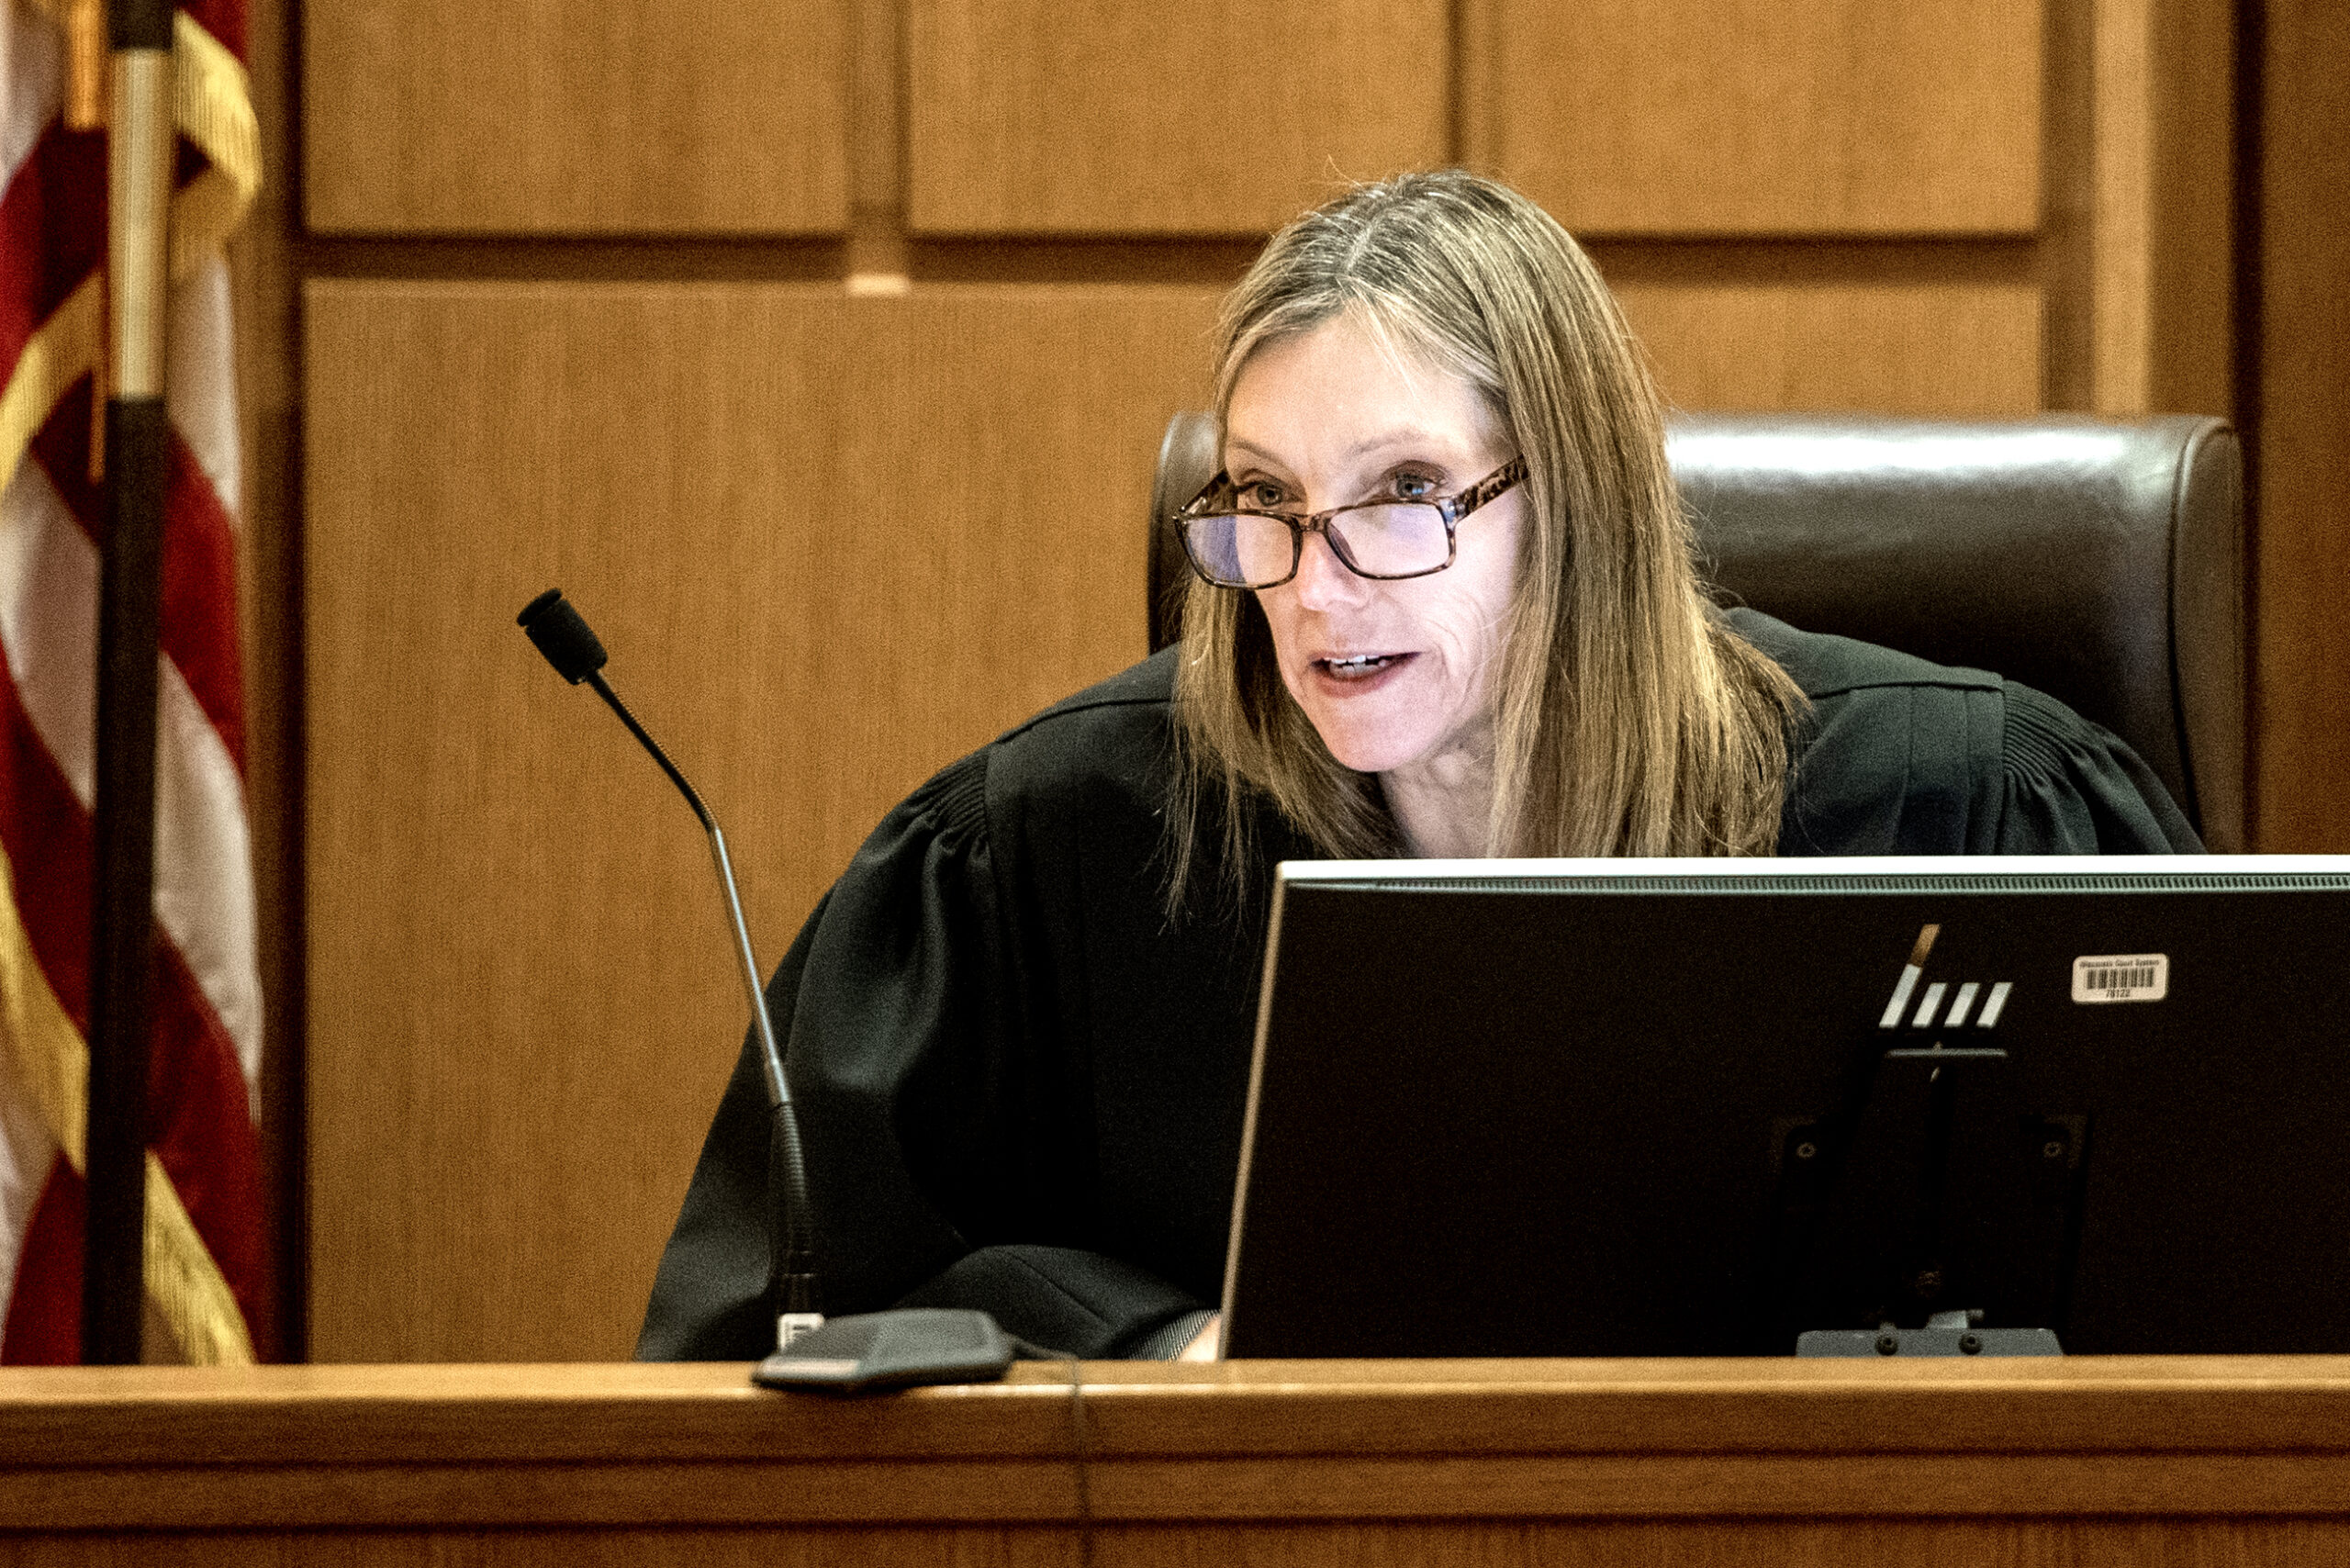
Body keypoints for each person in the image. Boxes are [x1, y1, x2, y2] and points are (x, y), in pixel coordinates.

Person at [636, 171, 2198, 1363]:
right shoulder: (1055, 848)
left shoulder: (1968, 812)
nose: (1315, 588)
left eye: (1404, 494)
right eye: (1263, 498)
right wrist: (1158, 1343)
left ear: (1571, 503)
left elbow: (2226, 1316)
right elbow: (779, 1327)